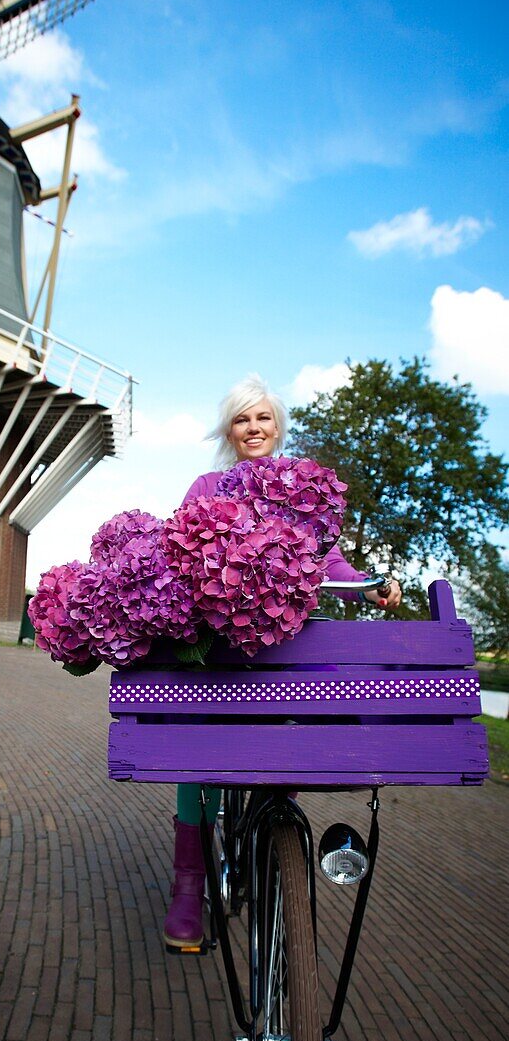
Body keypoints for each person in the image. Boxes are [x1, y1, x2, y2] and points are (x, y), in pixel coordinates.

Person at [163, 373, 402, 949]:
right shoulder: (207, 484)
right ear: (230, 429)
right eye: (243, 418)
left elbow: (331, 565)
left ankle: (277, 833)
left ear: (277, 427)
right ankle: (188, 887)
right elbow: (177, 550)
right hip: (224, 643)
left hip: (285, 643)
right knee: (200, 749)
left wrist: (368, 587)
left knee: (291, 728)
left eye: (263, 417)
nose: (254, 427)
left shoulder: (300, 486)